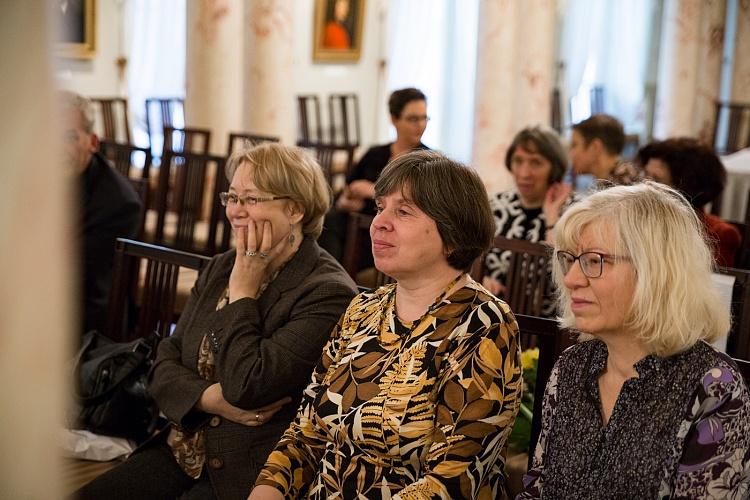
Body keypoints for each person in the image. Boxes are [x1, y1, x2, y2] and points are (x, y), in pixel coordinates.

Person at [74, 143, 358, 500]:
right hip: (181, 446)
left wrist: (242, 294)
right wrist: (210, 399)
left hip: (249, 467)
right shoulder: (223, 265)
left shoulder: (326, 292)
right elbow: (164, 361)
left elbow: (248, 386)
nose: (235, 211)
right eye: (232, 197)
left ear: (295, 209)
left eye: (251, 199)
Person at [250, 151, 523, 499]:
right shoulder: (363, 308)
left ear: (453, 233)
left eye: (404, 211)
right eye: (380, 207)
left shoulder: (484, 324)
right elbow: (305, 434)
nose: (379, 222)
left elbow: (453, 479)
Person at [518, 182, 750, 499]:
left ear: (655, 272)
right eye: (570, 259)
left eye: (595, 260)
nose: (571, 279)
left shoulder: (713, 386)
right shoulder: (572, 366)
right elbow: (538, 489)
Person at [318, 87, 429, 269]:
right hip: (354, 223)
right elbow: (349, 185)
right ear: (394, 119)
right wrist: (346, 200)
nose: (421, 125)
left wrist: (373, 191)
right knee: (327, 220)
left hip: (390, 231)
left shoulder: (427, 160)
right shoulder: (375, 153)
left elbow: (417, 203)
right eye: (413, 119)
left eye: (424, 118)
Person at [60, 90, 142, 335]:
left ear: (93, 142)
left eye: (68, 137)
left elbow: (75, 282)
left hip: (84, 330)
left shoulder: (118, 204)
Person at [483, 126, 575, 316]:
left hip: (550, 325)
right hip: (493, 318)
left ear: (554, 168)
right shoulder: (494, 206)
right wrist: (480, 279)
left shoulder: (573, 212)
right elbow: (466, 261)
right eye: (518, 161)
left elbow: (566, 273)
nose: (524, 173)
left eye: (536, 163)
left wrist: (552, 219)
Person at [639, 137, 742, 267]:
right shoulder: (637, 219)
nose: (643, 185)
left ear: (686, 187)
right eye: (645, 174)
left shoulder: (718, 235)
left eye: (656, 180)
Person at [568, 113, 639, 185]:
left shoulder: (621, 190)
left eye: (574, 145)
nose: (571, 154)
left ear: (595, 147)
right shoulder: (618, 181)